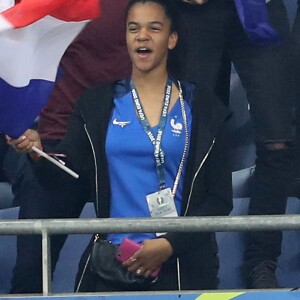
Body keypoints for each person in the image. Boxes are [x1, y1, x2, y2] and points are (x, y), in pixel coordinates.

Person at [7, 0, 233, 292]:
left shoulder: (204, 109)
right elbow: (66, 179)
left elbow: (219, 200)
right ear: (125, 37)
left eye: (154, 28)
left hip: (180, 265)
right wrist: (37, 154)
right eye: (133, 28)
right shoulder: (95, 107)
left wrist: (168, 244)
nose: (142, 36)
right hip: (110, 265)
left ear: (172, 38)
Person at [8, 0, 131, 293]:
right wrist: (17, 117)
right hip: (57, 143)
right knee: (31, 273)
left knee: (130, 266)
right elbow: (16, 44)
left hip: (128, 141)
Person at [170, 0, 295, 289]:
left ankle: (262, 262)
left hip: (257, 9)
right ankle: (195, 253)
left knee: (278, 140)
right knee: (193, 136)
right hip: (195, 11)